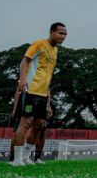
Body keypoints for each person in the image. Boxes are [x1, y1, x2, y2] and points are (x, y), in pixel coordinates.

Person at [9, 22, 67, 166]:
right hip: (31, 90)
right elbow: (24, 61)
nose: (63, 36)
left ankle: (26, 158)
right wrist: (22, 80)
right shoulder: (39, 44)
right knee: (25, 123)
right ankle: (16, 160)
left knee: (39, 125)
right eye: (60, 33)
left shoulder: (55, 51)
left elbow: (47, 75)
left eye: (65, 34)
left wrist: (48, 100)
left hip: (42, 93)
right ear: (51, 32)